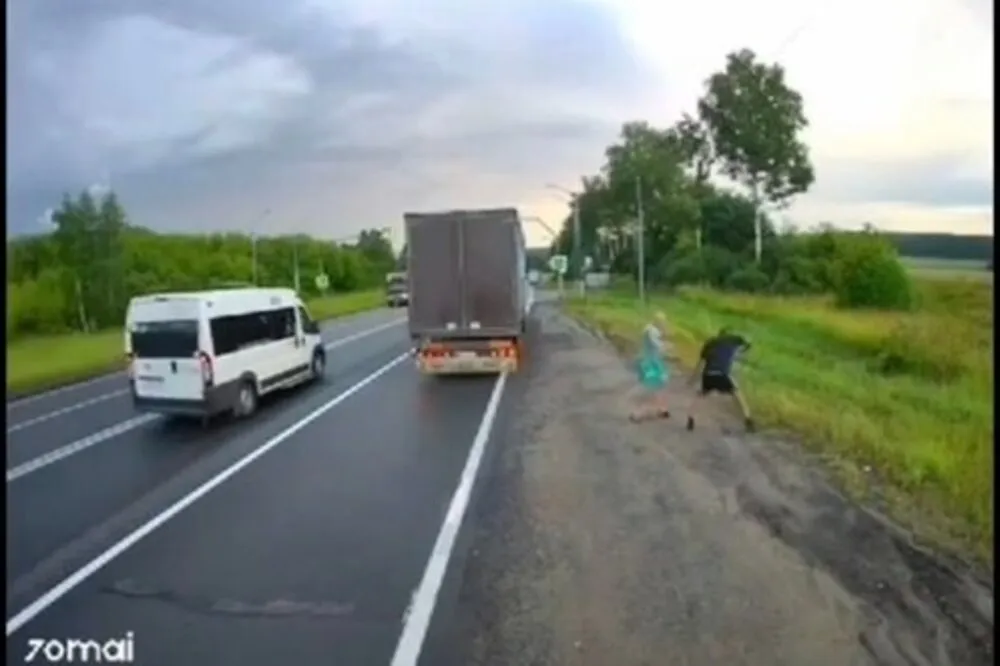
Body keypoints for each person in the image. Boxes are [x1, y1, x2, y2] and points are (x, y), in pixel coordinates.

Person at [685, 326, 755, 432]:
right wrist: (740, 353)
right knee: (737, 394)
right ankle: (748, 420)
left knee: (701, 395)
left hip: (708, 374)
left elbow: (700, 364)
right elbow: (748, 343)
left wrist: (692, 379)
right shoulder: (733, 340)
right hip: (722, 374)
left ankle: (691, 418)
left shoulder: (710, 343)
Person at [629, 312, 672, 422]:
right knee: (652, 388)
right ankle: (637, 414)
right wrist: (667, 346)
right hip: (651, 364)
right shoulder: (652, 332)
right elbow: (658, 346)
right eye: (663, 322)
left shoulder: (649, 330)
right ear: (658, 321)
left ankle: (662, 409)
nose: (664, 324)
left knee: (660, 385)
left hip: (650, 362)